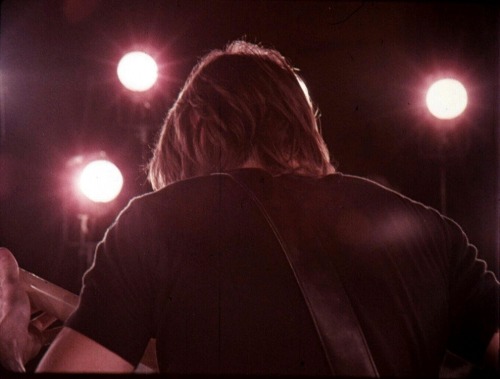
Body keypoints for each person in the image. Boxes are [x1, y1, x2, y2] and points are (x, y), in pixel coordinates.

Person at [0, 40, 498, 376]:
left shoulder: (157, 221)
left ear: (195, 128)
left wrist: (10, 355)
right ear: (302, 123)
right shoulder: (431, 231)